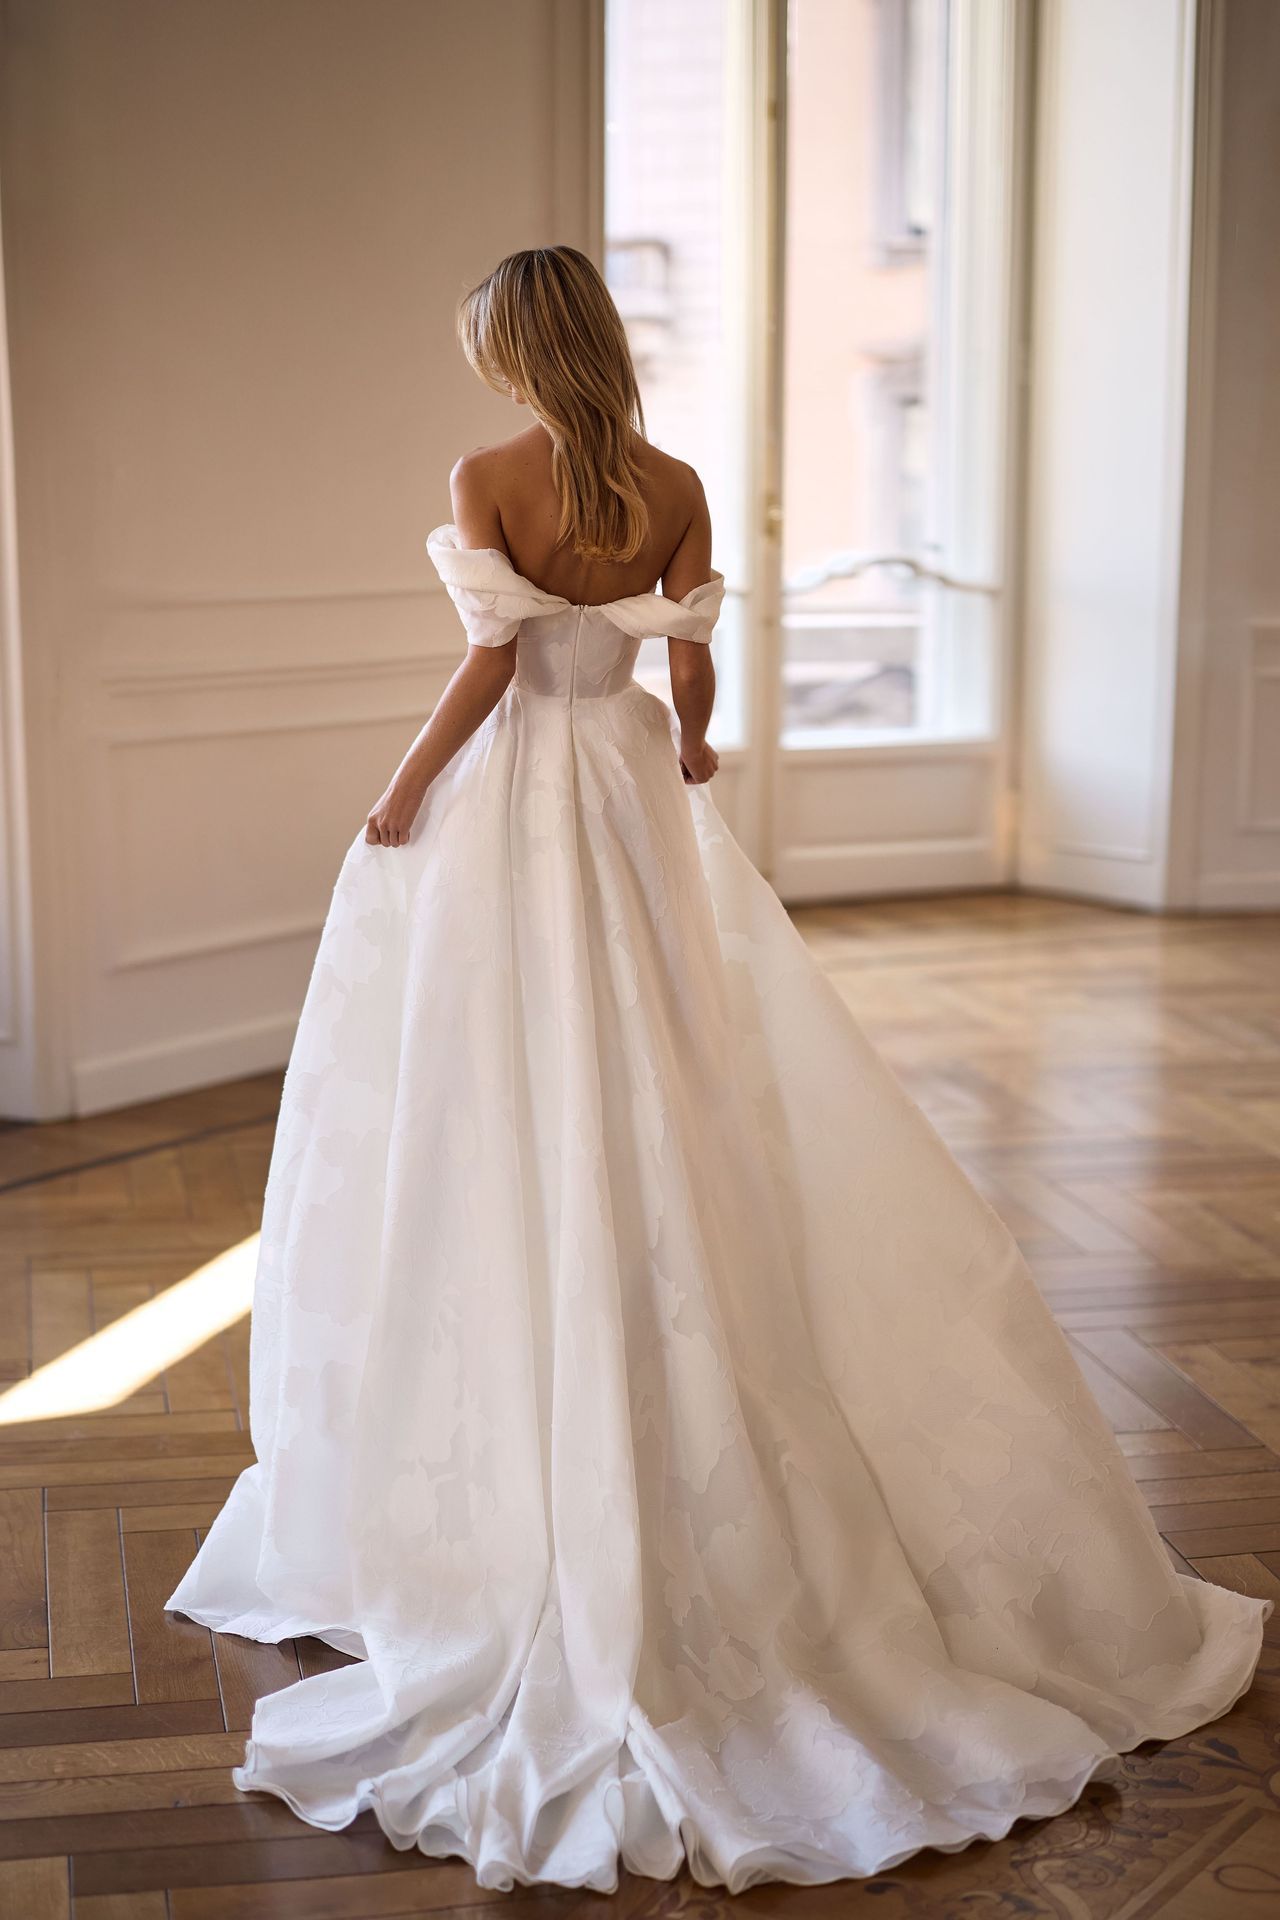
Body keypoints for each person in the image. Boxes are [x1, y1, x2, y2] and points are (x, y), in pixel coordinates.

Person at [167, 245, 1271, 1895]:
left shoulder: (487, 476)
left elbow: (490, 665)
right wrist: (685, 743)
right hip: (624, 801)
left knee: (505, 1067)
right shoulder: (674, 483)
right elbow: (685, 667)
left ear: (515, 351)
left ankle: (539, 1306)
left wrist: (400, 797)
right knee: (664, 1052)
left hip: (516, 801)